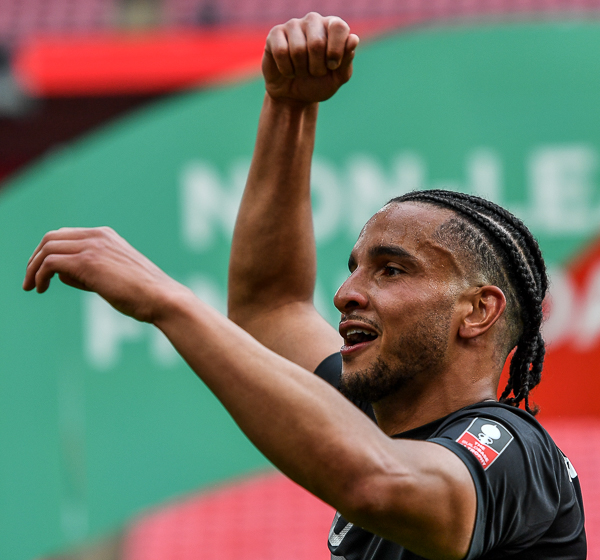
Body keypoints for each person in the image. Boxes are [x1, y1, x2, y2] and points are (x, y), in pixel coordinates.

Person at [25, 13, 585, 560]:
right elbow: (269, 306)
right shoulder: (374, 421)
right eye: (354, 267)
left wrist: (165, 301)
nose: (346, 294)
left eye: (392, 270)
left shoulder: (512, 449)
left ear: (479, 311)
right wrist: (289, 106)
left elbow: (379, 484)